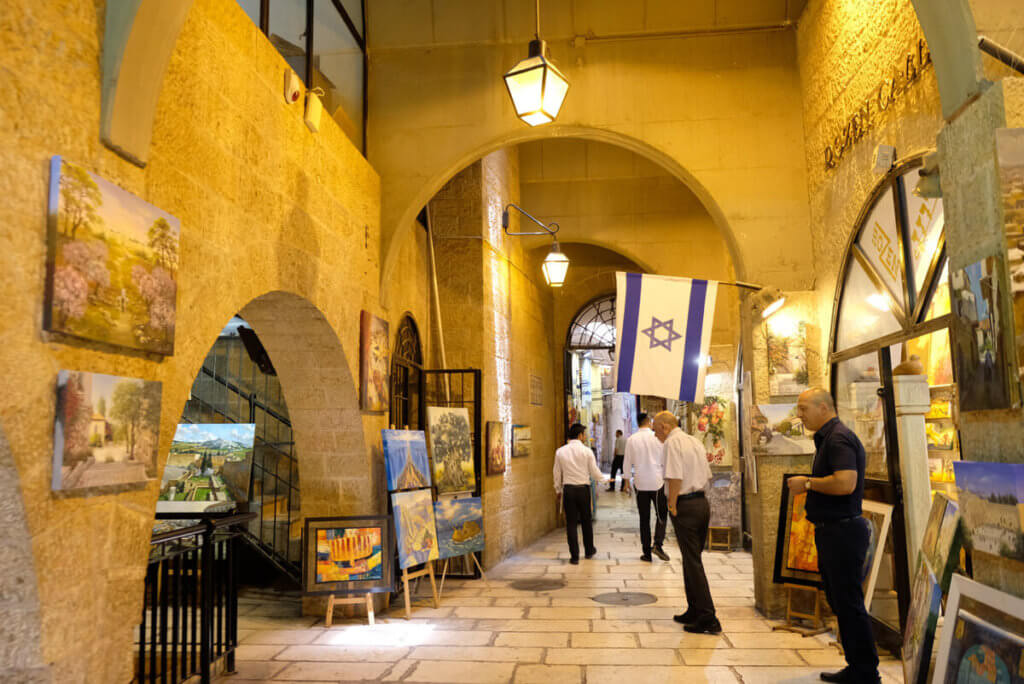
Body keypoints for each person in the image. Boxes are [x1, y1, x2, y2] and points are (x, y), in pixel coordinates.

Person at [787, 388, 880, 684]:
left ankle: (866, 671)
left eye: (803, 409)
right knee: (841, 601)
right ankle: (857, 666)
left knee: (849, 602)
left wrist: (808, 484)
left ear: (823, 407)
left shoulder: (838, 438)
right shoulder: (829, 437)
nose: (799, 415)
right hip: (833, 532)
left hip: (843, 532)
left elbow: (845, 482)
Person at [654, 410, 720, 634]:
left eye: (655, 430)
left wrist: (672, 504)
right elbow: (707, 475)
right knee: (692, 559)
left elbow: (675, 477)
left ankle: (708, 617)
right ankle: (694, 609)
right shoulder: (694, 441)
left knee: (692, 562)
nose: (655, 435)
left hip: (685, 505)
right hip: (701, 503)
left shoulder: (672, 443)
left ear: (664, 427)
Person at [553, 423, 605, 565]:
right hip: (583, 489)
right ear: (580, 435)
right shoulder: (587, 451)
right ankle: (589, 551)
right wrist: (605, 480)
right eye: (584, 434)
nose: (585, 437)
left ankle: (574, 556)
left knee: (571, 523)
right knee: (586, 521)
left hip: (568, 490)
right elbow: (594, 471)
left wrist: (558, 489)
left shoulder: (560, 451)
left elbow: (557, 473)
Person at [623, 413, 670, 562]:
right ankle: (657, 544)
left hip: (640, 482)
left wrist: (626, 482)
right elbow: (666, 458)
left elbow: (627, 462)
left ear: (637, 423)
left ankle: (646, 553)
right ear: (649, 422)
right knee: (661, 515)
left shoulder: (631, 440)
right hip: (657, 482)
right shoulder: (657, 438)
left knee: (644, 518)